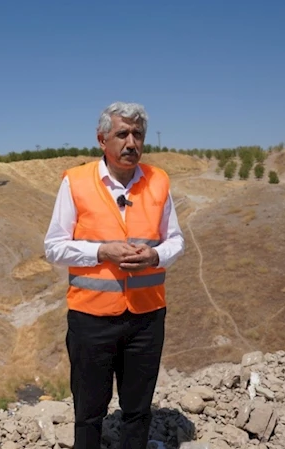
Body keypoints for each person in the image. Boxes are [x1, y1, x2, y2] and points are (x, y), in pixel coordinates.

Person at [43, 101, 185, 449]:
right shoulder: (76, 182)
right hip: (91, 318)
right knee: (89, 411)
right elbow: (54, 247)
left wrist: (155, 255)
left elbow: (176, 240)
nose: (131, 143)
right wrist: (101, 252)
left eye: (138, 134)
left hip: (146, 318)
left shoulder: (158, 181)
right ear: (102, 139)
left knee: (137, 410)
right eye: (122, 134)